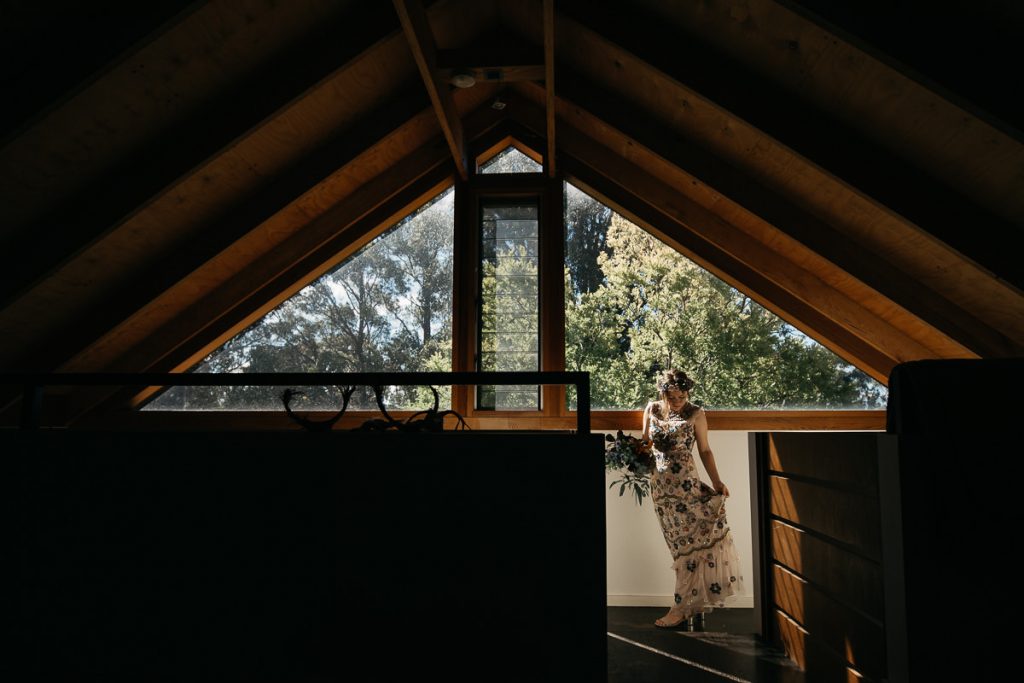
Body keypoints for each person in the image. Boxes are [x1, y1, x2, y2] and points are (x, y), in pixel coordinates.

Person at [641, 369, 745, 628]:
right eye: (672, 396)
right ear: (662, 393)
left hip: (686, 486)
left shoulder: (696, 414)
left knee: (688, 547)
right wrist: (632, 455)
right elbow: (645, 444)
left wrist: (717, 481)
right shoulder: (652, 410)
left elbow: (705, 450)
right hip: (660, 489)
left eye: (682, 395)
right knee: (677, 548)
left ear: (688, 392)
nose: (677, 401)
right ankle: (690, 605)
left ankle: (680, 607)